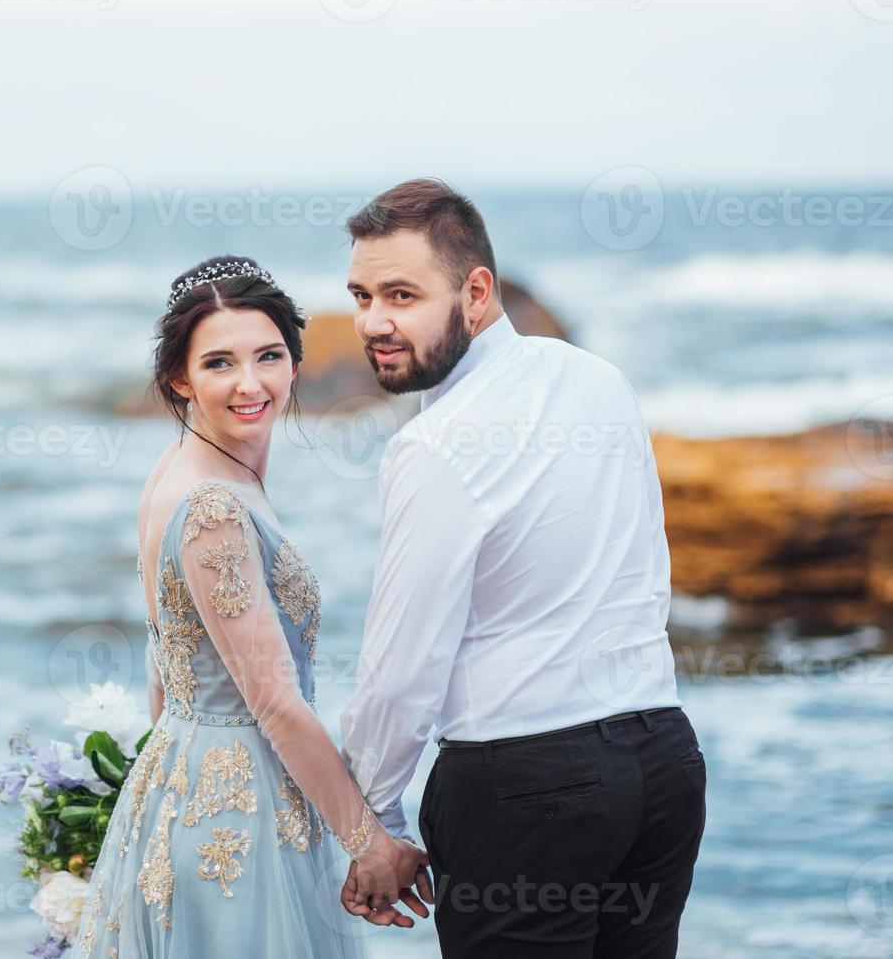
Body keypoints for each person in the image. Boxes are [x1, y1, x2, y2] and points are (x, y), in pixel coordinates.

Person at [338, 179, 707, 958]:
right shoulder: (598, 379)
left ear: (477, 291)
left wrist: (373, 823)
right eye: (362, 295)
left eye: (401, 295)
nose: (373, 322)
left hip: (526, 788)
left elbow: (401, 666)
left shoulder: (432, 446)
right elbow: (651, 577)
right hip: (665, 764)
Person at [75, 255, 430, 958]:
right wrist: (369, 844)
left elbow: (163, 663)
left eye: (269, 356)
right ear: (179, 379)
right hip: (238, 825)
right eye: (219, 364)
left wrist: (165, 795)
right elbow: (275, 702)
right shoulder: (213, 508)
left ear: (296, 363)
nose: (250, 383)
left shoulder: (179, 470)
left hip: (186, 785)